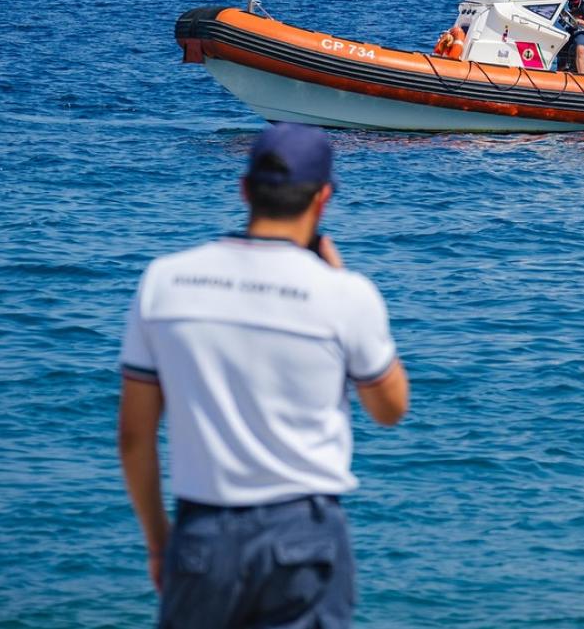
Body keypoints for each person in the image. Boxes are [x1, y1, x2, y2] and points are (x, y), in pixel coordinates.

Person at [117, 122, 410, 628]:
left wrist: (161, 543)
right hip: (303, 537)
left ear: (245, 190)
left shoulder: (165, 281)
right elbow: (389, 409)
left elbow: (133, 438)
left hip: (203, 532)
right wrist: (340, 281)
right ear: (323, 198)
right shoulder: (344, 294)